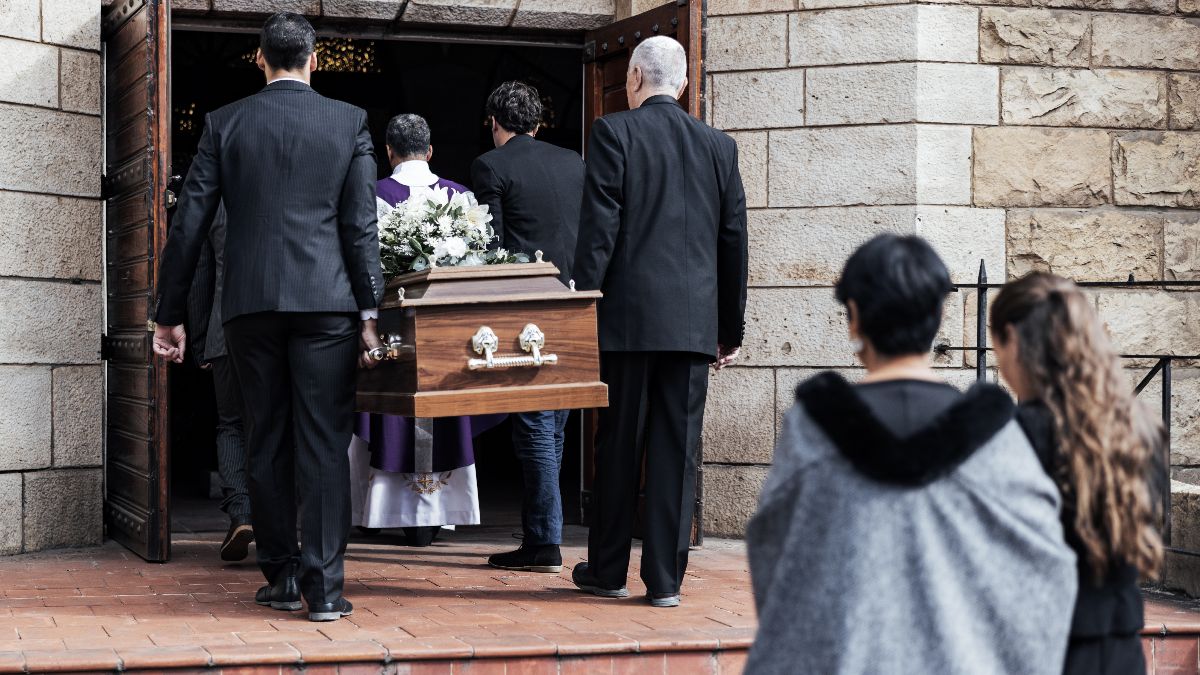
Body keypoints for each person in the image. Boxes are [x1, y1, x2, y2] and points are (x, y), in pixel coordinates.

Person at [744, 234, 1078, 675]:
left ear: (854, 318)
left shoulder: (812, 430)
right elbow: (1045, 572)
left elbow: (774, 553)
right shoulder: (994, 435)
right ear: (939, 314)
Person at [151, 12, 383, 623]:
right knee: (325, 444)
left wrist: (168, 316)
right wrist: (369, 310)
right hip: (327, 303)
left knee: (265, 436)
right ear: (315, 58)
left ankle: (280, 577)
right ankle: (326, 590)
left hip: (248, 304)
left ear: (260, 59)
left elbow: (189, 227)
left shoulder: (225, 123)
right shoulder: (349, 122)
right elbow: (360, 229)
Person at [571, 36, 748, 608]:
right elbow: (733, 242)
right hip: (694, 323)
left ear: (634, 79)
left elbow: (600, 230)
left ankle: (609, 570)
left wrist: (580, 305)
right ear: (686, 83)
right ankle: (666, 581)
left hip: (626, 320)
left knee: (619, 443)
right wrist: (730, 328)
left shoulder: (614, 131)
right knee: (678, 447)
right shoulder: (720, 146)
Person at [992, 272, 1164, 675]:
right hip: (1121, 643)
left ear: (1013, 339)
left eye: (996, 341)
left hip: (1044, 646)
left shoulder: (1018, 434)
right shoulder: (1138, 427)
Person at [351, 113, 501, 547]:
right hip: (444, 334)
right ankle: (438, 514)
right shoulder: (460, 198)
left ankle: (377, 513)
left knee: (387, 410)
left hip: (389, 329)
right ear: (431, 150)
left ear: (389, 151)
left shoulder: (372, 195)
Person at [471, 82, 585, 573]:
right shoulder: (574, 162)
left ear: (496, 122)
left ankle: (543, 542)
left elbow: (492, 249)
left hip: (526, 310)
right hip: (576, 302)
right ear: (538, 123)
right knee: (553, 426)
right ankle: (543, 531)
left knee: (536, 428)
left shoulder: (490, 165)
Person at [186, 202, 253, 562]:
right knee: (278, 424)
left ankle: (241, 514)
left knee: (231, 425)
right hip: (279, 333)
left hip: (224, 330)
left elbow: (200, 273)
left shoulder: (221, 199)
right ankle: (281, 523)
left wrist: (201, 341)